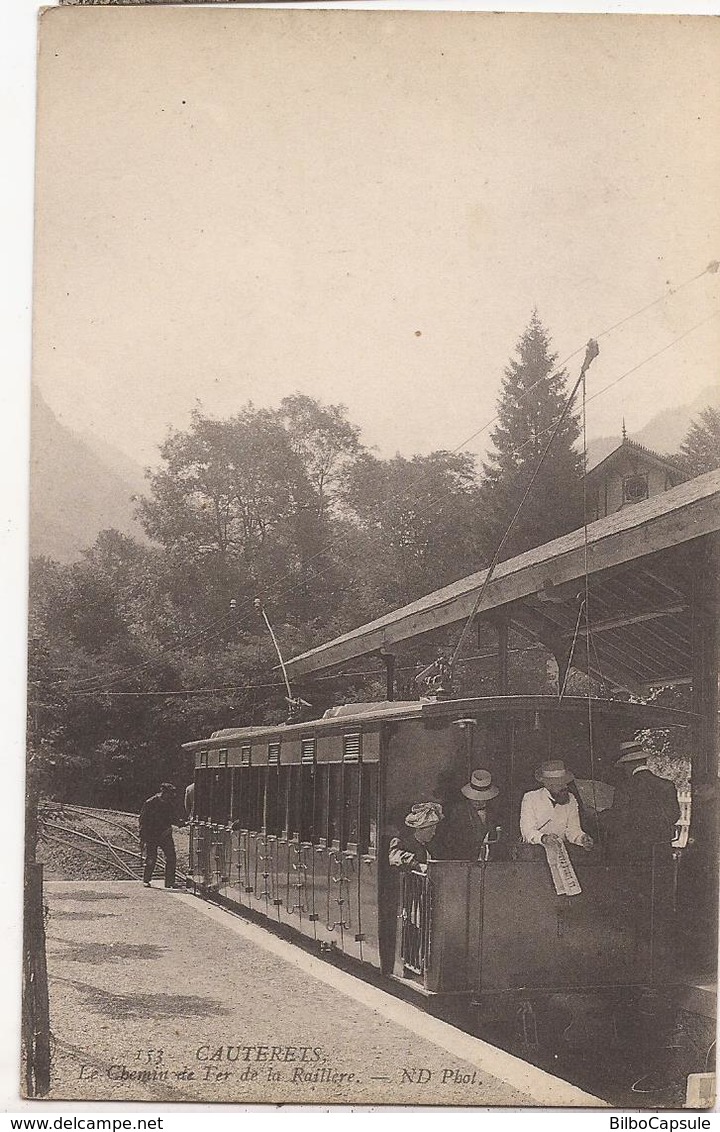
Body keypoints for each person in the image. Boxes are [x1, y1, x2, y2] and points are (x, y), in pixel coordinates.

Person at [607, 740, 681, 863]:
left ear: (627, 765)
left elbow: (619, 818)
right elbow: (674, 815)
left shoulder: (625, 788)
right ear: (644, 761)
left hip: (634, 851)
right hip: (661, 849)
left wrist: (598, 815)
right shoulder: (667, 785)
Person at [520, 760, 594, 852]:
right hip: (535, 852)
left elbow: (573, 829)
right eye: (559, 784)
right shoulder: (530, 798)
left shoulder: (571, 799)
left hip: (562, 852)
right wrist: (544, 838)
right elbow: (527, 831)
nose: (565, 787)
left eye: (565, 783)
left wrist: (581, 838)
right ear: (548, 785)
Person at [434, 769, 502, 861]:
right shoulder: (458, 811)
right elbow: (450, 841)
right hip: (463, 861)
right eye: (474, 798)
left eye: (483, 798)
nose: (478, 801)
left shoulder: (493, 812)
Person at [139, 782, 182, 889]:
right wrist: (143, 837)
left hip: (165, 834)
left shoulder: (169, 804)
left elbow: (174, 818)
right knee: (151, 858)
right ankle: (146, 879)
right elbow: (143, 820)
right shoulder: (150, 803)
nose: (171, 796)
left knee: (171, 857)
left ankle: (169, 882)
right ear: (163, 792)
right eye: (169, 794)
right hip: (152, 835)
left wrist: (181, 823)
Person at [388, 802, 444, 870]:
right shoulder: (401, 842)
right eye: (431, 831)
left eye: (434, 830)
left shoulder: (429, 846)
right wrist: (418, 866)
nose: (433, 833)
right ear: (419, 829)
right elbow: (395, 857)